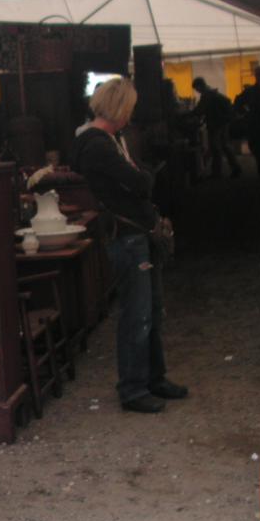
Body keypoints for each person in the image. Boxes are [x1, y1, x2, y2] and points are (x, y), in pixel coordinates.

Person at [69, 77, 188, 414]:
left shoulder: (106, 141)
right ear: (120, 108)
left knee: (150, 311)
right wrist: (146, 178)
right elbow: (140, 182)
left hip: (134, 233)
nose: (131, 115)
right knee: (137, 314)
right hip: (127, 236)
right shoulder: (98, 146)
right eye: (130, 109)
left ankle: (152, 378)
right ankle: (134, 388)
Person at [190, 77, 241, 178]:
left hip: (216, 124)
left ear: (199, 86)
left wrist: (187, 114)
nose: (197, 91)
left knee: (216, 148)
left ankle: (216, 173)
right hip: (223, 122)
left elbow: (199, 110)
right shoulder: (212, 92)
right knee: (225, 146)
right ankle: (236, 168)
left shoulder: (207, 95)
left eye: (196, 88)